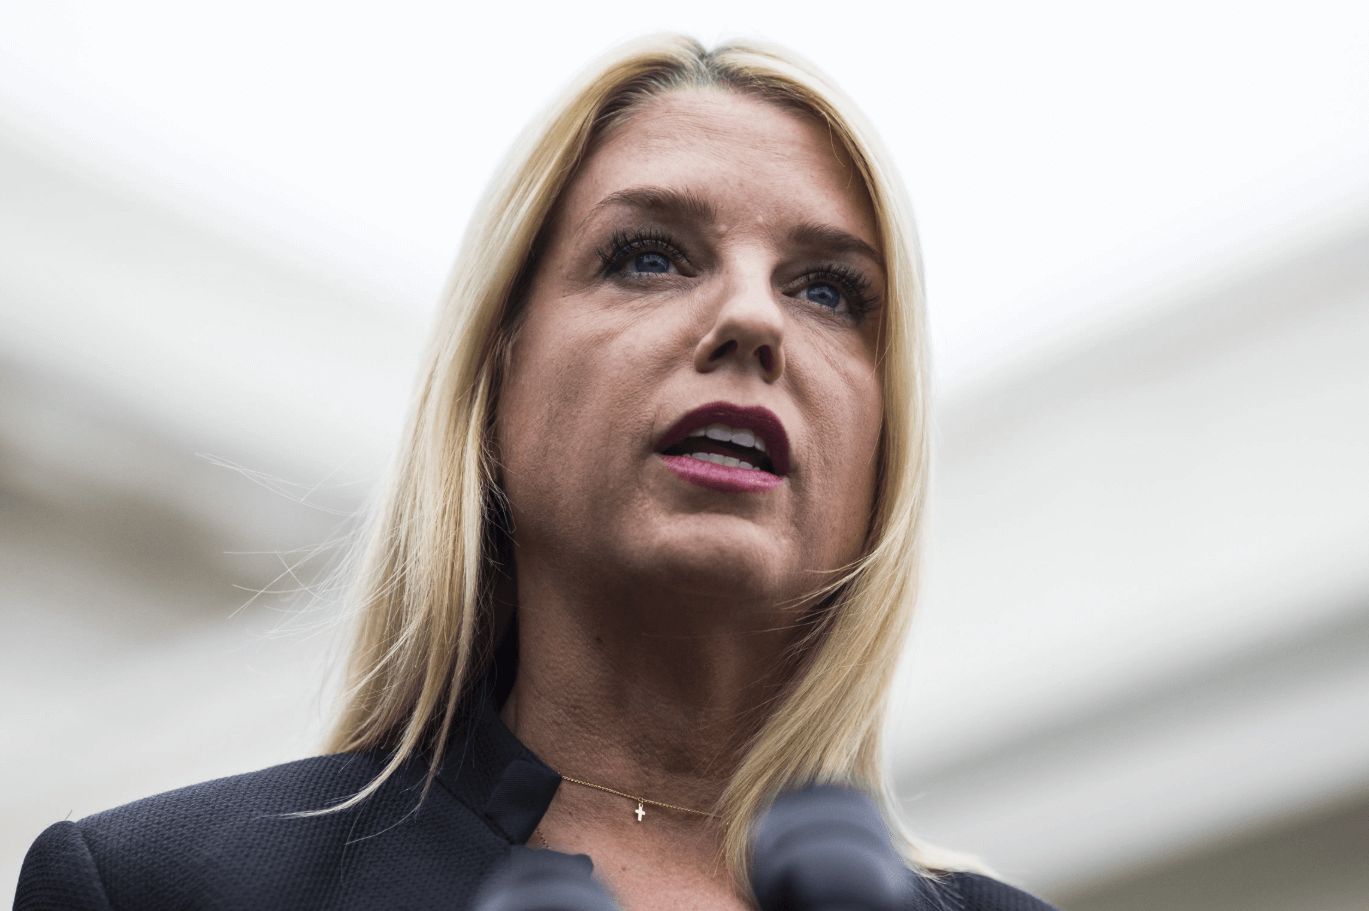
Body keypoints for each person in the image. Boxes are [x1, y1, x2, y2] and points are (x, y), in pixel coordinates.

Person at [15, 32, 1061, 911]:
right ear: (495, 378)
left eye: (828, 290)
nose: (752, 317)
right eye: (648, 256)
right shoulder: (158, 885)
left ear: (884, 444)